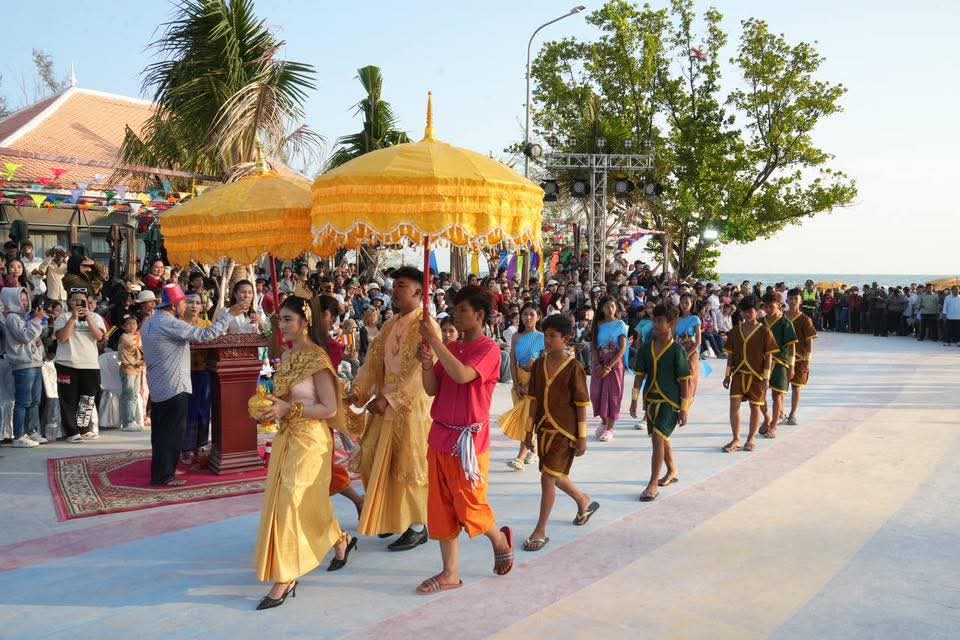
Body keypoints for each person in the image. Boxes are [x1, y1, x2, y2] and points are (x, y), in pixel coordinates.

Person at [251, 295, 357, 610]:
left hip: (311, 441)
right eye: (279, 319)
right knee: (299, 502)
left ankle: (286, 576)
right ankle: (340, 539)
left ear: (305, 321)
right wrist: (266, 407)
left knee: (291, 503)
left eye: (287, 319)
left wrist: (289, 408)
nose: (282, 325)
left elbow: (329, 408)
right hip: (287, 437)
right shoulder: (287, 355)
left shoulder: (316, 358)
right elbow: (281, 395)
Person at [415, 285, 513, 594]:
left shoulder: (489, 349)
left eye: (462, 310)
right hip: (440, 436)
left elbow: (461, 375)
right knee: (440, 507)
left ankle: (498, 538)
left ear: (479, 315)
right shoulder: (452, 348)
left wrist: (435, 341)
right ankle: (450, 573)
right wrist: (426, 363)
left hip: (469, 443)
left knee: (470, 505)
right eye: (455, 309)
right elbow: (432, 388)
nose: (456, 315)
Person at [347, 266, 432, 551]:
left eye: (402, 286)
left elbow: (421, 372)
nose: (395, 291)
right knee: (372, 457)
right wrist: (358, 390)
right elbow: (372, 362)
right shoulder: (389, 324)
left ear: (419, 291)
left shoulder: (427, 325)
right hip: (385, 402)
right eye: (394, 286)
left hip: (412, 406)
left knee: (407, 464)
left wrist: (390, 398)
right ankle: (392, 516)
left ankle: (417, 526)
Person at [141, 284, 243, 486]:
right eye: (183, 303)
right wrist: (228, 315)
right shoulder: (171, 323)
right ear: (174, 305)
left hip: (159, 385)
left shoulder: (150, 321)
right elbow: (205, 335)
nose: (186, 306)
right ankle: (165, 476)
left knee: (160, 433)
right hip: (174, 385)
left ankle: (160, 473)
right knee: (172, 434)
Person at [521, 313, 597, 551]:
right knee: (553, 474)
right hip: (543, 429)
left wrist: (582, 436)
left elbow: (581, 404)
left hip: (565, 432)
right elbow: (532, 400)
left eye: (553, 336)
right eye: (545, 336)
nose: (547, 340)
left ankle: (540, 529)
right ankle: (583, 500)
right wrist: (528, 431)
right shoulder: (538, 365)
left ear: (566, 339)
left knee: (547, 478)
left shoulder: (574, 367)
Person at [629, 304, 691, 501]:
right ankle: (672, 470)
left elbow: (685, 381)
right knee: (662, 438)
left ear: (671, 324)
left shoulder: (677, 350)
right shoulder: (646, 348)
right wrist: (634, 400)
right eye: (654, 320)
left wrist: (684, 409)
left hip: (670, 402)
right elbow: (639, 376)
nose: (655, 324)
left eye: (660, 320)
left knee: (657, 438)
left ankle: (653, 484)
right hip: (651, 401)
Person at [722, 296, 777, 453]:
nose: (747, 314)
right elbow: (730, 355)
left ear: (757, 311)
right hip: (739, 374)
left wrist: (766, 377)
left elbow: (769, 356)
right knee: (734, 406)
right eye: (744, 311)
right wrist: (727, 375)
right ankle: (736, 438)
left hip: (757, 376)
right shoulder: (735, 331)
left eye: (750, 311)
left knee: (755, 407)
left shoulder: (764, 331)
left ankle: (751, 438)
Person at [55, 288, 106, 442]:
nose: (79, 303)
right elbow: (62, 337)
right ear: (70, 302)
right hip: (67, 363)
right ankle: (72, 432)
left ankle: (84, 429)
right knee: (68, 399)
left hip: (90, 363)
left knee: (87, 398)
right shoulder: (63, 317)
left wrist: (88, 318)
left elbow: (99, 336)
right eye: (75, 301)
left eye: (82, 301)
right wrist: (73, 319)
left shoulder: (95, 317)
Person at [3, 287, 46, 447]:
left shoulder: (26, 317)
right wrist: (37, 320)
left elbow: (34, 337)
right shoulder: (12, 318)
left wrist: (39, 323)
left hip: (35, 362)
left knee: (35, 400)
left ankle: (32, 431)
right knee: (23, 401)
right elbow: (25, 336)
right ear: (11, 301)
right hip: (23, 364)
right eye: (21, 299)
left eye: (26, 299)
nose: (25, 302)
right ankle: (19, 436)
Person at [506, 303, 545, 471]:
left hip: (535, 382)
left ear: (538, 317)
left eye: (531, 314)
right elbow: (512, 362)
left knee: (528, 419)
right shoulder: (516, 336)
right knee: (524, 419)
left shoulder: (542, 337)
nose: (528, 318)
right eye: (525, 314)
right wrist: (516, 384)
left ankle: (520, 457)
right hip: (519, 382)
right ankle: (534, 451)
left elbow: (544, 363)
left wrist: (533, 383)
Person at [759, 292, 797, 438]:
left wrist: (791, 366)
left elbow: (792, 346)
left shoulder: (785, 323)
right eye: (765, 306)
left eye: (771, 306)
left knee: (777, 395)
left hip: (780, 362)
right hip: (762, 363)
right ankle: (766, 418)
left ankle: (774, 425)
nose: (768, 309)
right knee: (759, 394)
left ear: (780, 306)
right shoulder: (760, 322)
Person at [590, 296, 627, 442]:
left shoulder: (620, 324)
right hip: (599, 362)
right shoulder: (598, 324)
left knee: (612, 395)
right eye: (607, 306)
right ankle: (604, 421)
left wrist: (608, 367)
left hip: (614, 364)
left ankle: (610, 428)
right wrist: (597, 364)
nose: (610, 309)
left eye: (612, 306)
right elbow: (594, 346)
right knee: (596, 393)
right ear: (602, 309)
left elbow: (622, 348)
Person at [181, 293, 212, 461]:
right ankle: (185, 447)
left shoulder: (206, 324)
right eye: (190, 302)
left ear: (201, 307)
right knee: (187, 410)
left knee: (203, 410)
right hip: (183, 373)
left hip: (204, 372)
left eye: (198, 303)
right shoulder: (178, 324)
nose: (194, 306)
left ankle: (201, 445)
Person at [784, 288, 817, 425]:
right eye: (791, 299)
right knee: (780, 388)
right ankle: (780, 412)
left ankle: (792, 414)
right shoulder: (781, 317)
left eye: (796, 299)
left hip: (800, 358)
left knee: (796, 387)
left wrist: (808, 361)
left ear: (800, 301)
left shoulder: (805, 319)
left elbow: (809, 342)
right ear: (786, 300)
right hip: (782, 357)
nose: (793, 301)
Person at [117, 314, 145, 432]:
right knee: (128, 395)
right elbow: (138, 348)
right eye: (129, 324)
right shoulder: (125, 337)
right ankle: (127, 422)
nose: (132, 326)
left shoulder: (137, 336)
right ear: (123, 326)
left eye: (134, 323)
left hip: (137, 368)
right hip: (128, 368)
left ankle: (132, 420)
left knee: (134, 395)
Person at [675, 292, 702, 408]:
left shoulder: (695, 319)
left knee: (690, 377)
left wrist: (688, 354)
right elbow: (673, 337)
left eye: (687, 303)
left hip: (691, 349)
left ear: (692, 304)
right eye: (682, 302)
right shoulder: (677, 319)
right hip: (679, 348)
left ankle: (686, 406)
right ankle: (678, 403)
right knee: (677, 376)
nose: (684, 305)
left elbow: (698, 341)